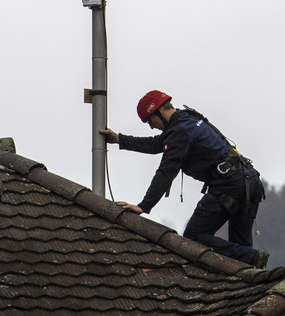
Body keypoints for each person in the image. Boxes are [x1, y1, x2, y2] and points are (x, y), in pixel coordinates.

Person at [99, 90, 269, 268]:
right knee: (239, 254)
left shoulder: (180, 132)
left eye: (150, 120)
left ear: (159, 112)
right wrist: (120, 139)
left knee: (193, 237)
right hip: (250, 182)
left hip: (229, 186)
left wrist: (144, 206)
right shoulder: (188, 118)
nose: (151, 126)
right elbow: (158, 144)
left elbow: (166, 171)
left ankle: (252, 257)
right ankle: (250, 271)